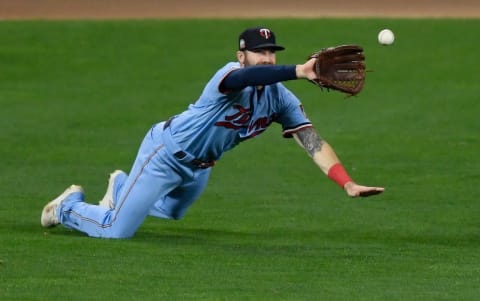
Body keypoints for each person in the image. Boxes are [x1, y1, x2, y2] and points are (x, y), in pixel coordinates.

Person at [41, 26, 384, 239]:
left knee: (173, 212)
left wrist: (347, 182)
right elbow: (248, 79)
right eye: (258, 52)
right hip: (164, 154)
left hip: (200, 169)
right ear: (241, 55)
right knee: (116, 231)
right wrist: (297, 70)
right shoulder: (229, 75)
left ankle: (121, 187)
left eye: (270, 52)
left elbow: (312, 142)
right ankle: (68, 207)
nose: (265, 58)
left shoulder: (282, 99)